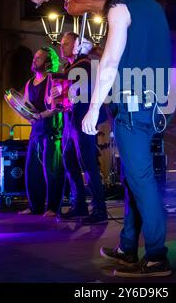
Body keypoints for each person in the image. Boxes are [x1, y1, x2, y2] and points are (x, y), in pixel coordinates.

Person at [82, 0, 172, 277]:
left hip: (132, 107)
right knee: (134, 177)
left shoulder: (119, 8)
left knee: (142, 179)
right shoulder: (154, 8)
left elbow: (110, 64)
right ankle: (126, 247)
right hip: (152, 107)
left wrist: (92, 109)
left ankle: (158, 256)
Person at [54, 32, 108, 224]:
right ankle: (80, 205)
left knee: (88, 163)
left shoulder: (85, 63)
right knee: (69, 161)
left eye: (66, 43)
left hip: (83, 118)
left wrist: (61, 83)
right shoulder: (69, 66)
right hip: (70, 119)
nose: (62, 47)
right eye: (61, 44)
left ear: (76, 45)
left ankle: (100, 209)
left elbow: (83, 83)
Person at [19, 47, 64, 217]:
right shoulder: (29, 83)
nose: (34, 60)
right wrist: (24, 112)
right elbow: (26, 106)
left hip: (51, 131)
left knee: (52, 172)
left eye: (38, 58)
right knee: (33, 171)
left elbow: (57, 107)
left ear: (47, 63)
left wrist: (39, 115)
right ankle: (34, 207)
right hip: (36, 132)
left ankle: (53, 207)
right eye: (35, 57)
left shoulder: (53, 80)